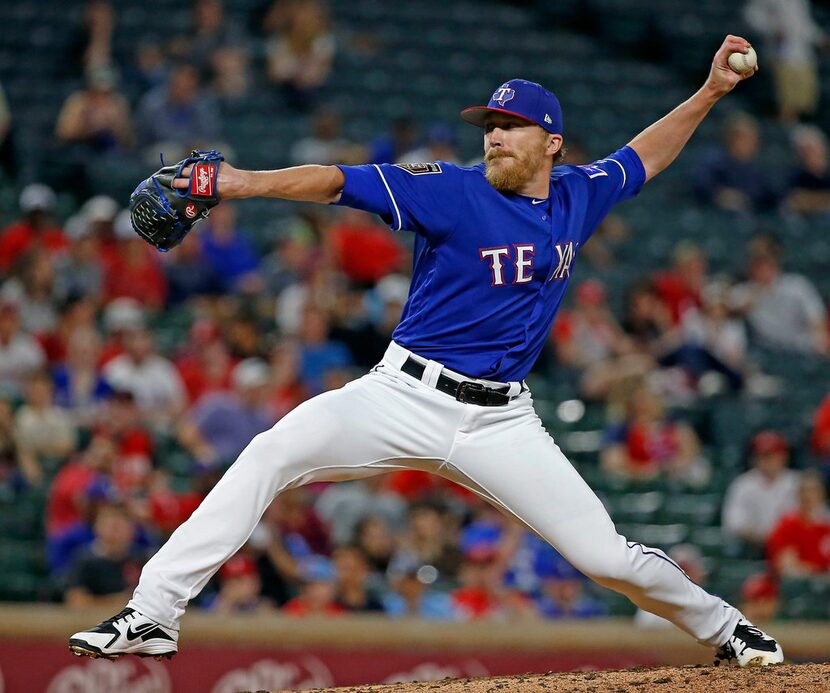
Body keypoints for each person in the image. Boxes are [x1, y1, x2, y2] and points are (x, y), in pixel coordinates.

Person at [71, 36, 784, 667]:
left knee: (606, 557)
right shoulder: (451, 191)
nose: (496, 136)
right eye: (491, 125)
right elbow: (335, 181)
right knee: (270, 453)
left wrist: (712, 91)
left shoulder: (577, 195)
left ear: (553, 143)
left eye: (512, 126)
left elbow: (644, 156)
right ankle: (153, 611)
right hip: (400, 395)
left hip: (503, 421)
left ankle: (727, 628)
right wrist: (236, 182)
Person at [722, 430, 800, 550]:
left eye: (771, 456)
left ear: (783, 456)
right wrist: (769, 537)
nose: (766, 461)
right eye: (761, 456)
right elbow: (734, 525)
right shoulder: (743, 484)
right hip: (752, 549)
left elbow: (817, 518)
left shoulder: (797, 482)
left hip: (791, 547)